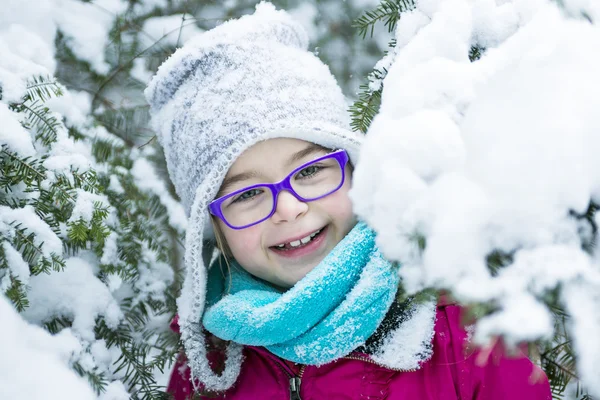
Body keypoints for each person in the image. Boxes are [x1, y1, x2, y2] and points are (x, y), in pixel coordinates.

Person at [145, 2, 552, 399]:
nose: (290, 208)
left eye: (308, 172)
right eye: (249, 194)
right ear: (212, 224)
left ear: (357, 170)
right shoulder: (212, 366)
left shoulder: (464, 332)